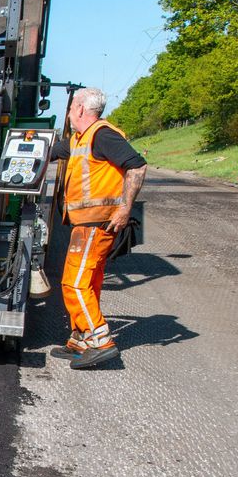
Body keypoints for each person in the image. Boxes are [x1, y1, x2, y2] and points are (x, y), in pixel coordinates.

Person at [48, 87, 147, 369]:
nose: (68, 114)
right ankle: (80, 340)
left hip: (98, 221)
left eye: (69, 108)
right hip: (86, 222)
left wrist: (125, 209)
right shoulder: (81, 139)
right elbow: (51, 152)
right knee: (87, 282)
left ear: (79, 109)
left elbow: (137, 167)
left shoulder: (103, 135)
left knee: (75, 283)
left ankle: (100, 340)